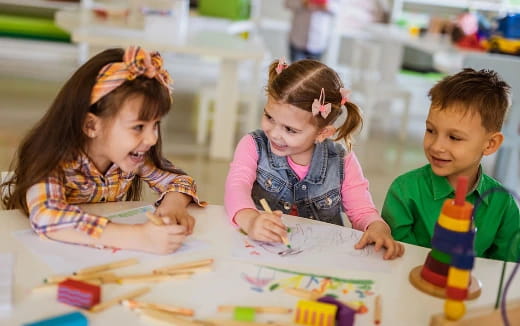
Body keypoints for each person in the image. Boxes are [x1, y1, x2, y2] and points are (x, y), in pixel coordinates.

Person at [1, 46, 205, 255]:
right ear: (91, 125)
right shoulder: (52, 159)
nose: (152, 138)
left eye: (155, 125)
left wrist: (173, 206)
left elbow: (180, 181)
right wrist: (139, 237)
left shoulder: (133, 157)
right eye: (138, 127)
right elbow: (47, 215)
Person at [225, 59, 404, 260]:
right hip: (261, 253)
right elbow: (236, 186)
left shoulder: (341, 160)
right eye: (269, 117)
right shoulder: (253, 145)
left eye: (290, 130)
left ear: (322, 132)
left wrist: (377, 227)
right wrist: (250, 221)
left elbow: (361, 210)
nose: (274, 134)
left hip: (320, 259)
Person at [382, 68, 519, 261]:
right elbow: (396, 259)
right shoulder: (404, 191)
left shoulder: (504, 205)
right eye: (430, 130)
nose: (437, 146)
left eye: (454, 137)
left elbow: (505, 268)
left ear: (490, 144)